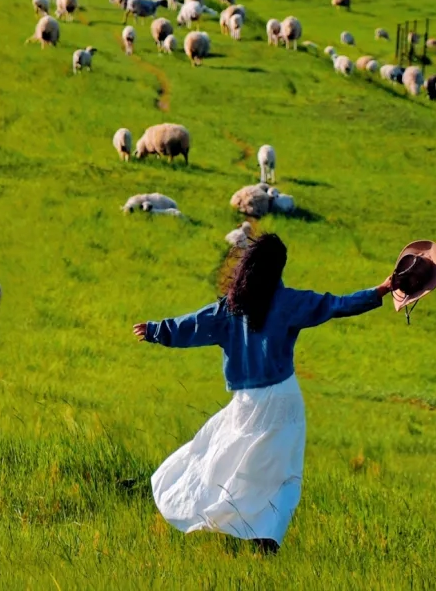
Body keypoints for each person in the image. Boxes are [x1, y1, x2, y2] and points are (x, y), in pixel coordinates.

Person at [134, 233, 393, 553]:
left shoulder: (229, 308)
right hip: (283, 402)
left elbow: (192, 327)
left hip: (245, 405)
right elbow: (335, 305)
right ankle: (266, 539)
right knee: (282, 476)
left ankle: (220, 520)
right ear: (279, 267)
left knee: (226, 462)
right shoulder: (288, 302)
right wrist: (380, 290)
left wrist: (156, 331)